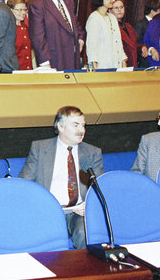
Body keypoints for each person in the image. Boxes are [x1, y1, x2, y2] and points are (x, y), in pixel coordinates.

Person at [19, 106, 104, 249]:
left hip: (78, 212)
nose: (81, 130)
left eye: (83, 125)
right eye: (75, 125)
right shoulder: (40, 148)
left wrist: (89, 203)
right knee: (43, 236)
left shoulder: (92, 152)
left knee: (85, 232)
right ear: (60, 126)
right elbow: (24, 184)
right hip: (49, 211)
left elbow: (100, 185)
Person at [29, 0, 85, 70]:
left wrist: (80, 38)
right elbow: (38, 37)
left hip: (73, 59)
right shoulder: (39, 6)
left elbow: (76, 25)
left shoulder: (69, 2)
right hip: (54, 60)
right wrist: (44, 63)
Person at [85, 0, 126, 69]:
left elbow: (119, 43)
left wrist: (123, 63)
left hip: (116, 66)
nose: (113, 0)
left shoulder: (113, 18)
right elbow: (92, 46)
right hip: (102, 67)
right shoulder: (94, 18)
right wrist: (94, 67)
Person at [110, 0, 139, 68]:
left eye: (121, 7)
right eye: (116, 8)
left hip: (132, 64)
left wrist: (142, 47)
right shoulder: (110, 27)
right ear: (110, 11)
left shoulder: (128, 26)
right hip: (119, 65)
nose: (119, 10)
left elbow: (135, 44)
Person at [8, 0, 33, 70]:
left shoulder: (26, 28)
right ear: (10, 10)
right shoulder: (7, 29)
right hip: (15, 73)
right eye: (19, 10)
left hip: (28, 71)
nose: (23, 13)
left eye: (25, 10)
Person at [135, 1, 160, 68]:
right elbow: (137, 42)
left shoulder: (158, 24)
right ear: (152, 11)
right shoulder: (140, 24)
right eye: (159, 12)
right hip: (144, 61)